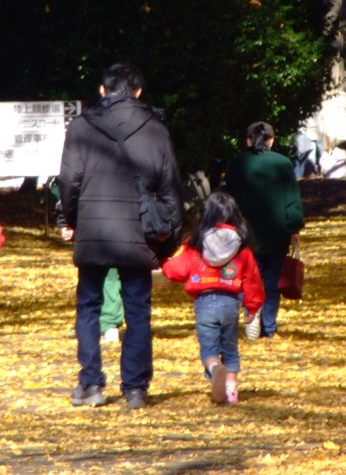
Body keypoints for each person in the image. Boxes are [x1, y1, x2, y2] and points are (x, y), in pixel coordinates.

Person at [57, 63, 184, 409]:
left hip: (94, 231)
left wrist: (72, 219)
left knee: (88, 306)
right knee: (138, 309)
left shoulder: (81, 127)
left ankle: (91, 383)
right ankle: (135, 388)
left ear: (102, 90)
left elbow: (69, 182)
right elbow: (171, 188)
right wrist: (169, 239)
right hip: (138, 232)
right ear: (139, 91)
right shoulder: (155, 130)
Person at [161, 192, 265, 404]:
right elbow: (252, 279)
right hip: (230, 302)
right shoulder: (242, 248)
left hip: (205, 303)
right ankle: (232, 394)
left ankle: (215, 368)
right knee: (230, 349)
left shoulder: (196, 243)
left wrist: (165, 263)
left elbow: (177, 270)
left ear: (206, 215)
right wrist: (252, 308)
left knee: (209, 349)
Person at [223, 121, 304, 339]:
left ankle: (251, 312)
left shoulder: (236, 164)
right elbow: (292, 200)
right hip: (276, 231)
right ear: (272, 140)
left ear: (248, 140)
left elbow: (228, 199)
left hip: (245, 232)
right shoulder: (283, 164)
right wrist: (294, 227)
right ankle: (268, 325)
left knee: (248, 276)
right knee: (272, 279)